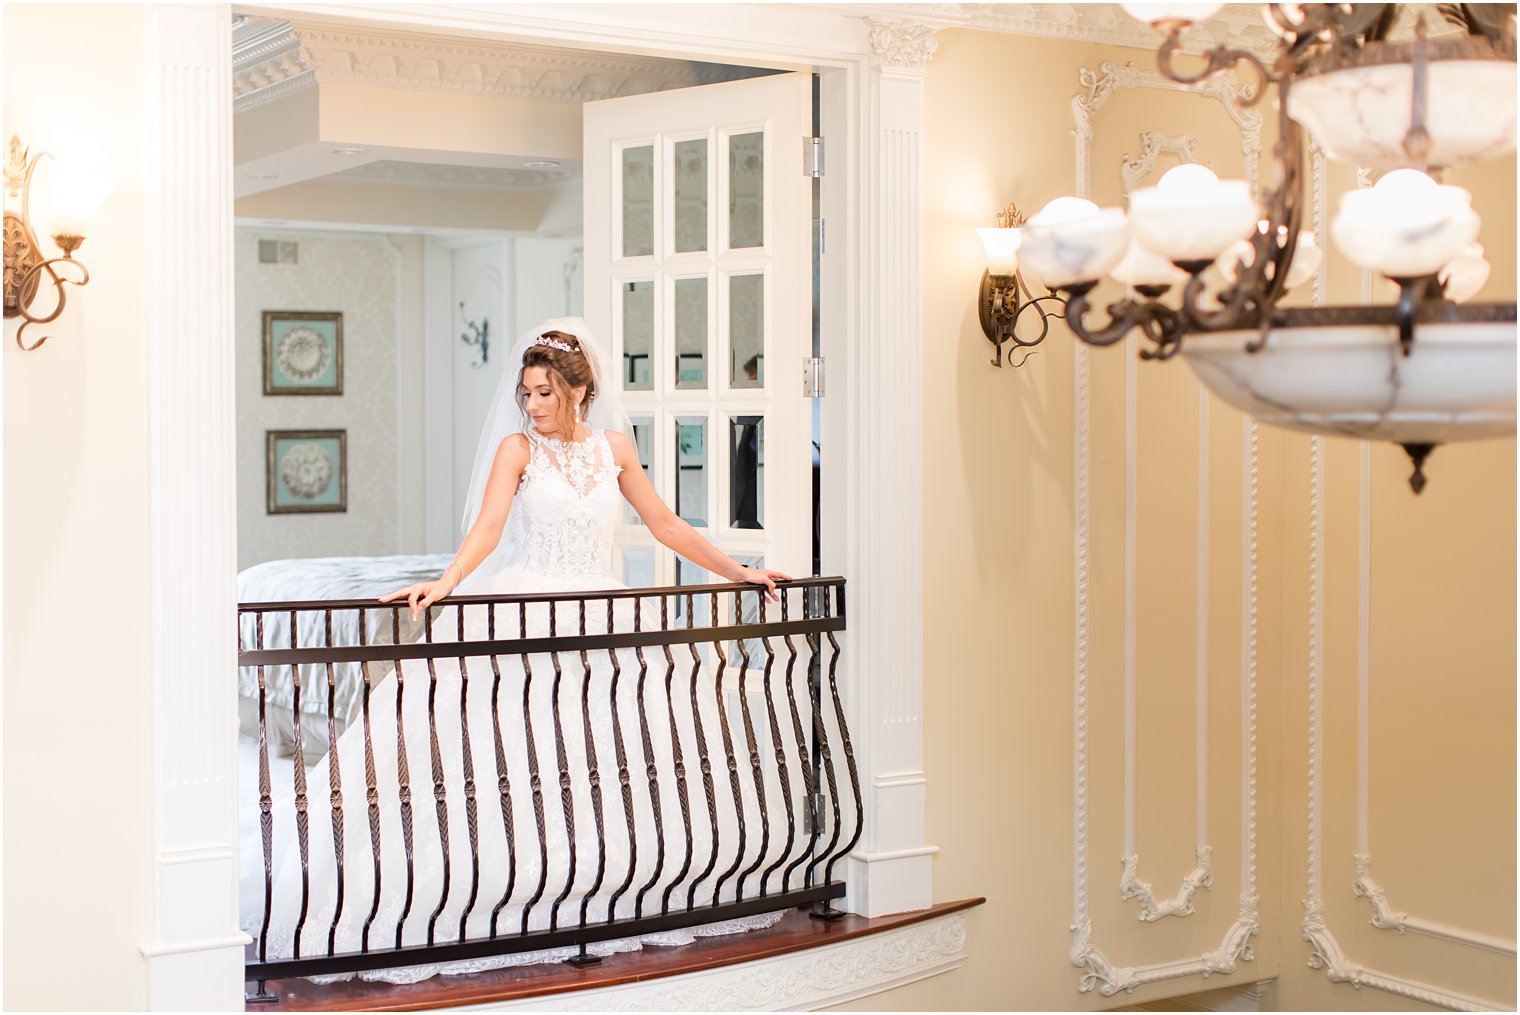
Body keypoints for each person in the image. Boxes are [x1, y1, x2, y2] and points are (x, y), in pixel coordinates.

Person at [243, 318, 793, 984]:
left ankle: (612, 885)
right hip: (528, 605)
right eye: (526, 393)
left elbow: (667, 523)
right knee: (509, 752)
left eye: (544, 393)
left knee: (609, 754)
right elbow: (489, 528)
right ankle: (502, 890)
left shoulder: (615, 449)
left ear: (579, 390)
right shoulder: (517, 450)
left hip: (602, 612)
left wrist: (743, 572)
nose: (532, 405)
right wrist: (445, 583)